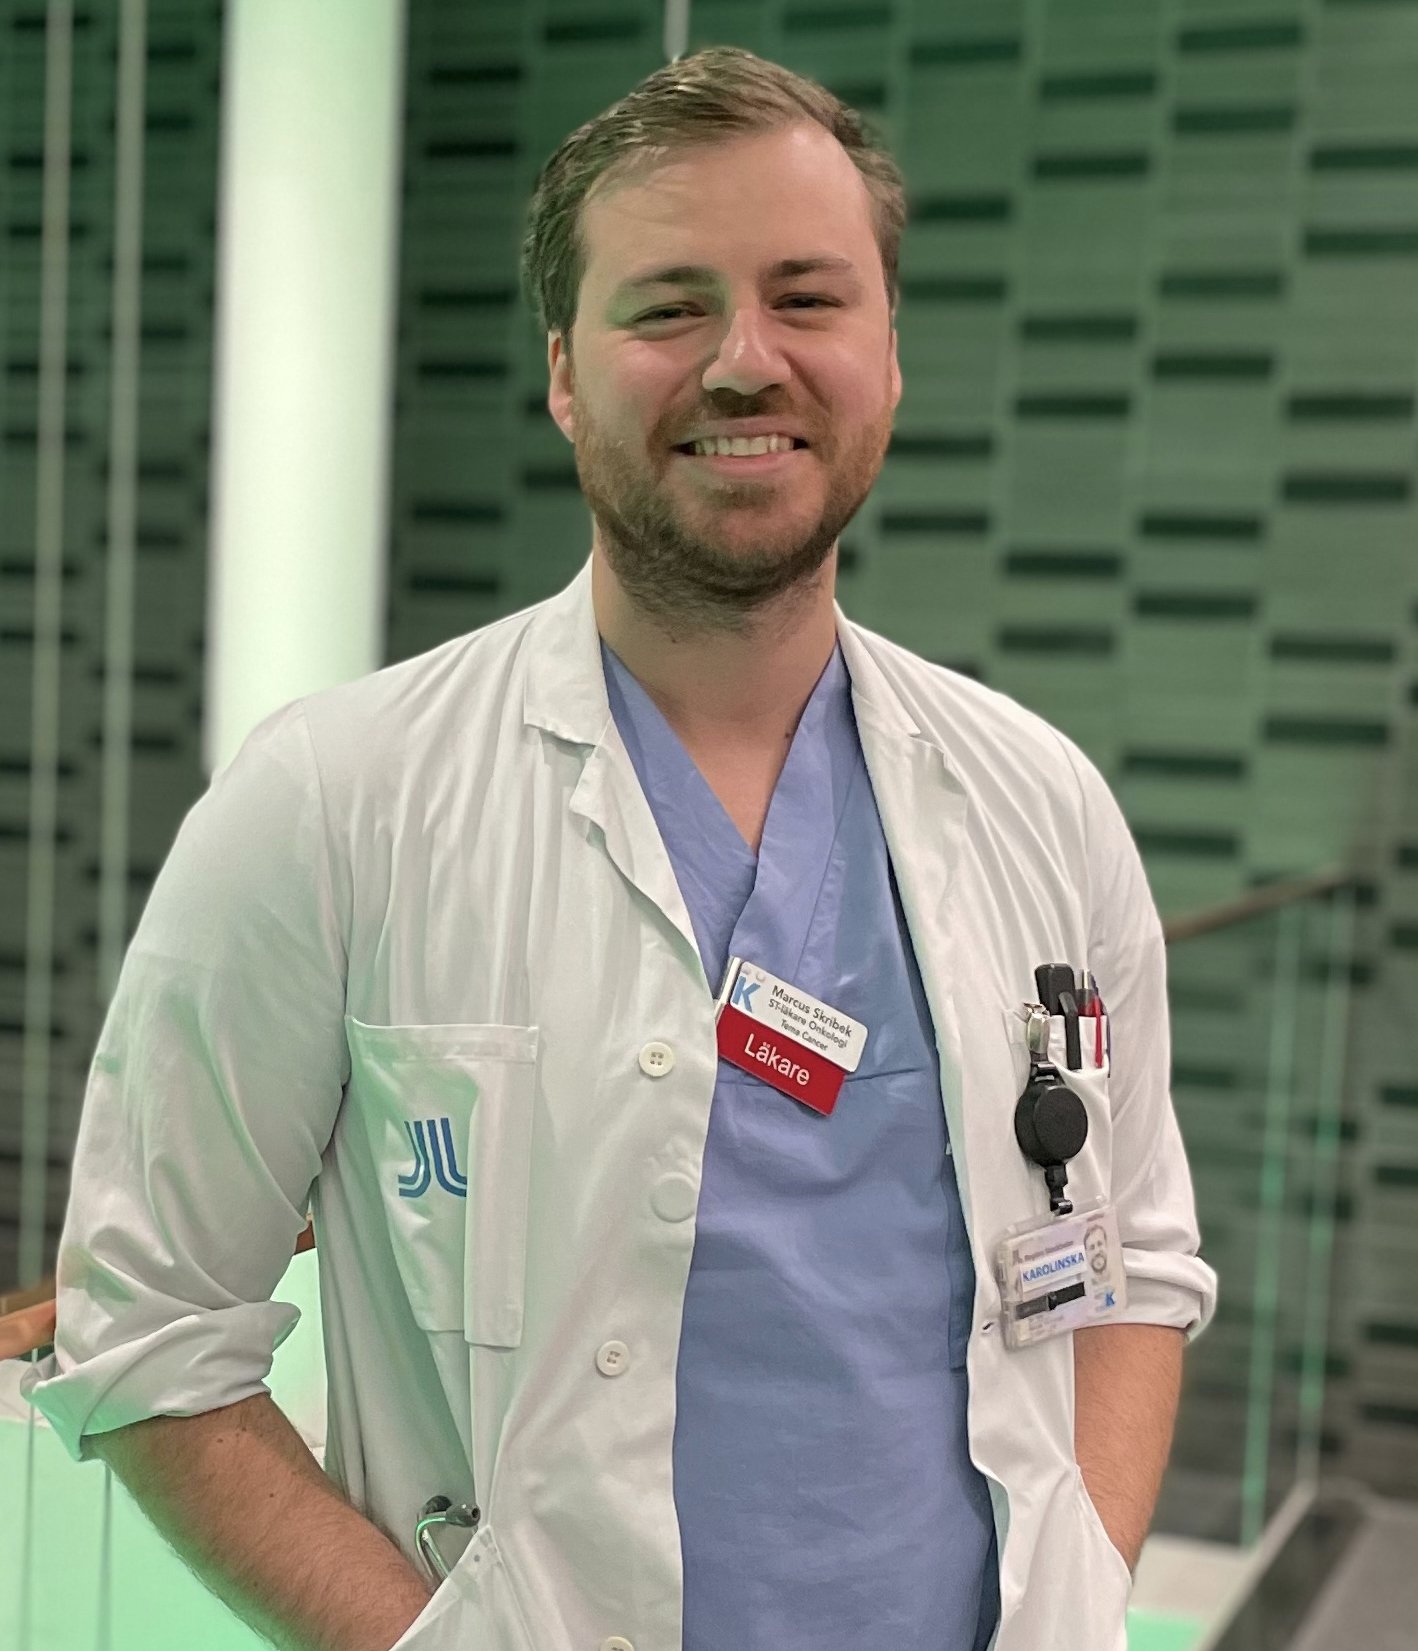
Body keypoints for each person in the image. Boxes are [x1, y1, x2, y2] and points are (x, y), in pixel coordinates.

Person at [23, 45, 1216, 1651]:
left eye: (808, 297)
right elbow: (149, 1334)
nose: (745, 361)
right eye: (666, 307)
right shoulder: (334, 796)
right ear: (566, 372)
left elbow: (1132, 1265)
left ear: (886, 354)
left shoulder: (1038, 798)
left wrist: (1079, 1581)